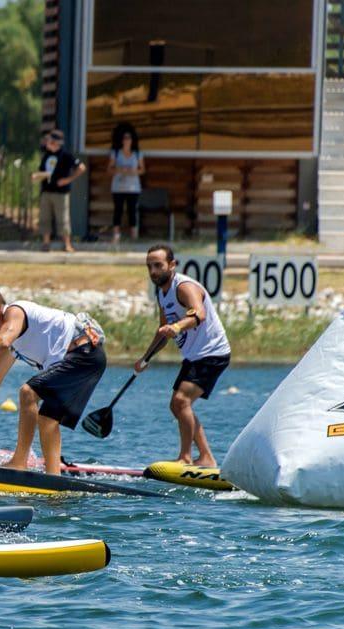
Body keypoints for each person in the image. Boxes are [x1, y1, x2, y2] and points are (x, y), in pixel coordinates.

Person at [0, 284, 106, 475]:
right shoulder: (13, 338)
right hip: (87, 359)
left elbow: (3, 340)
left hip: (85, 353)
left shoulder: (15, 312)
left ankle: (19, 462)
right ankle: (53, 479)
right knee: (47, 420)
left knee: (28, 392)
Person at [136, 244, 231, 467]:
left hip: (213, 353)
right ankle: (206, 457)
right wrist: (145, 358)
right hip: (194, 356)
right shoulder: (161, 293)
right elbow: (162, 331)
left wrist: (177, 327)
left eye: (158, 265)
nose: (153, 271)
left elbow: (199, 314)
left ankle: (186, 457)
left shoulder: (184, 287)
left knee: (181, 401)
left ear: (172, 265)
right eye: (149, 266)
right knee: (177, 405)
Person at [31, 129, 85, 253]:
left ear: (56, 142)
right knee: (45, 217)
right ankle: (46, 243)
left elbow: (81, 167)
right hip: (46, 191)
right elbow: (45, 172)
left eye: (50, 140)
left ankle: (67, 244)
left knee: (63, 219)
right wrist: (37, 176)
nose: (47, 142)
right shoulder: (46, 155)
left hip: (61, 192)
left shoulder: (65, 155)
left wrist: (68, 179)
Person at [109, 124, 144, 243]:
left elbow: (142, 170)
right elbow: (109, 169)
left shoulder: (137, 153)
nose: (127, 140)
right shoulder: (116, 153)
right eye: (124, 138)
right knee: (118, 210)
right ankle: (116, 235)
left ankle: (134, 235)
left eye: (129, 138)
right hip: (118, 186)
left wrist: (133, 171)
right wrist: (120, 169)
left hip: (133, 187)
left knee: (132, 210)